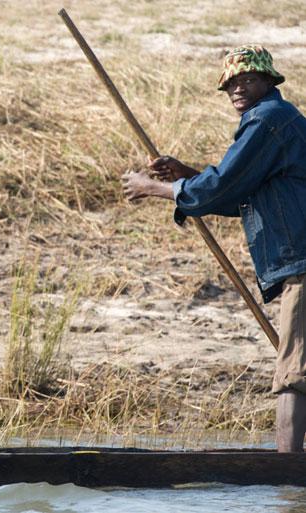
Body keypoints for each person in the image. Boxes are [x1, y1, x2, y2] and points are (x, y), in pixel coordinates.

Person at [121, 45, 306, 452]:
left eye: (248, 80)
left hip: (302, 267)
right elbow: (240, 195)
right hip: (297, 263)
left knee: (292, 373)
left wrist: (158, 188)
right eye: (231, 84)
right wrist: (188, 176)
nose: (238, 89)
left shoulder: (268, 120)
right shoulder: (274, 121)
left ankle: (286, 477)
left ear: (268, 83)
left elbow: (223, 186)